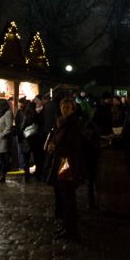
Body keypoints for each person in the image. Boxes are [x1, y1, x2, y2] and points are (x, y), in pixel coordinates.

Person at [46, 96, 85, 241]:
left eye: (68, 107)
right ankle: (67, 226)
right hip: (61, 161)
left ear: (73, 109)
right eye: (63, 106)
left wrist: (57, 146)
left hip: (67, 163)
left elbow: (72, 146)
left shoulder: (73, 124)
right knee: (63, 196)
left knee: (68, 196)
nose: (64, 109)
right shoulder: (62, 123)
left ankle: (71, 229)